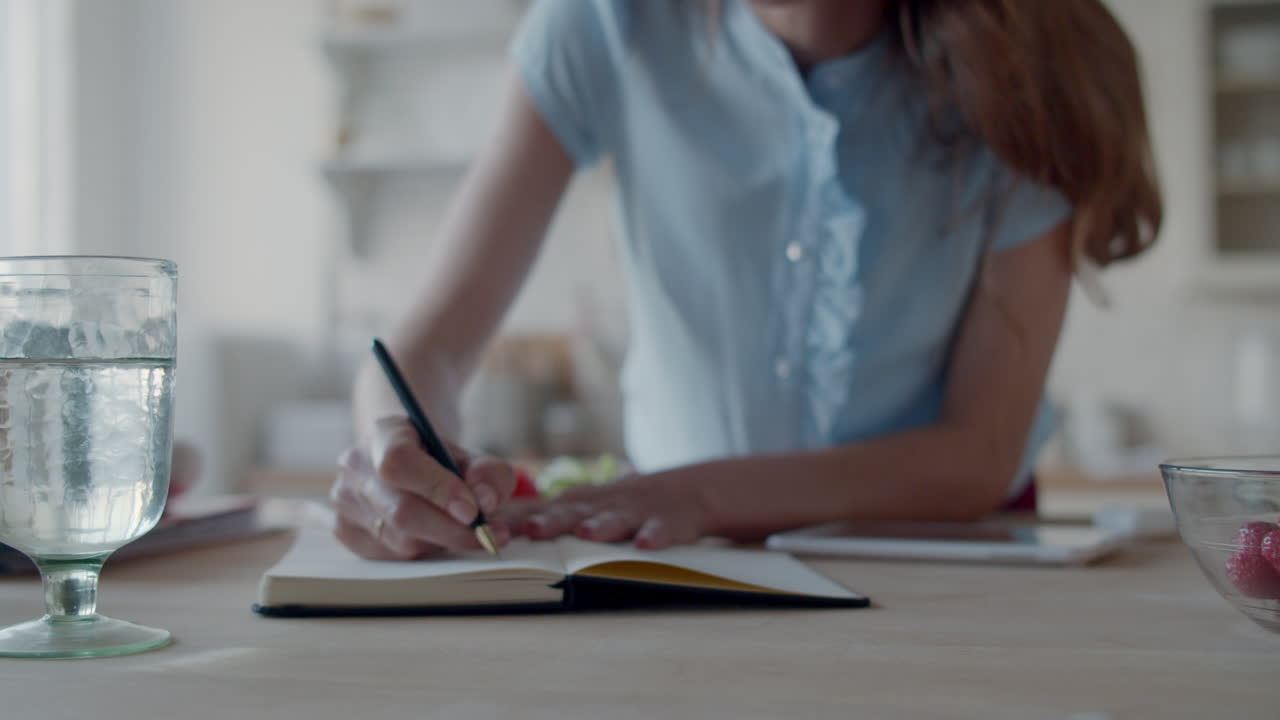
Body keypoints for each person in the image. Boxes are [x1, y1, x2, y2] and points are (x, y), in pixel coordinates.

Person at [329, 0, 1162, 560]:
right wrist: (393, 444)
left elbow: (977, 455)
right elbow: (426, 347)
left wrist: (706, 496)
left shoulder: (1033, 68)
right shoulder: (602, 25)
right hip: (674, 558)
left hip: (952, 561)